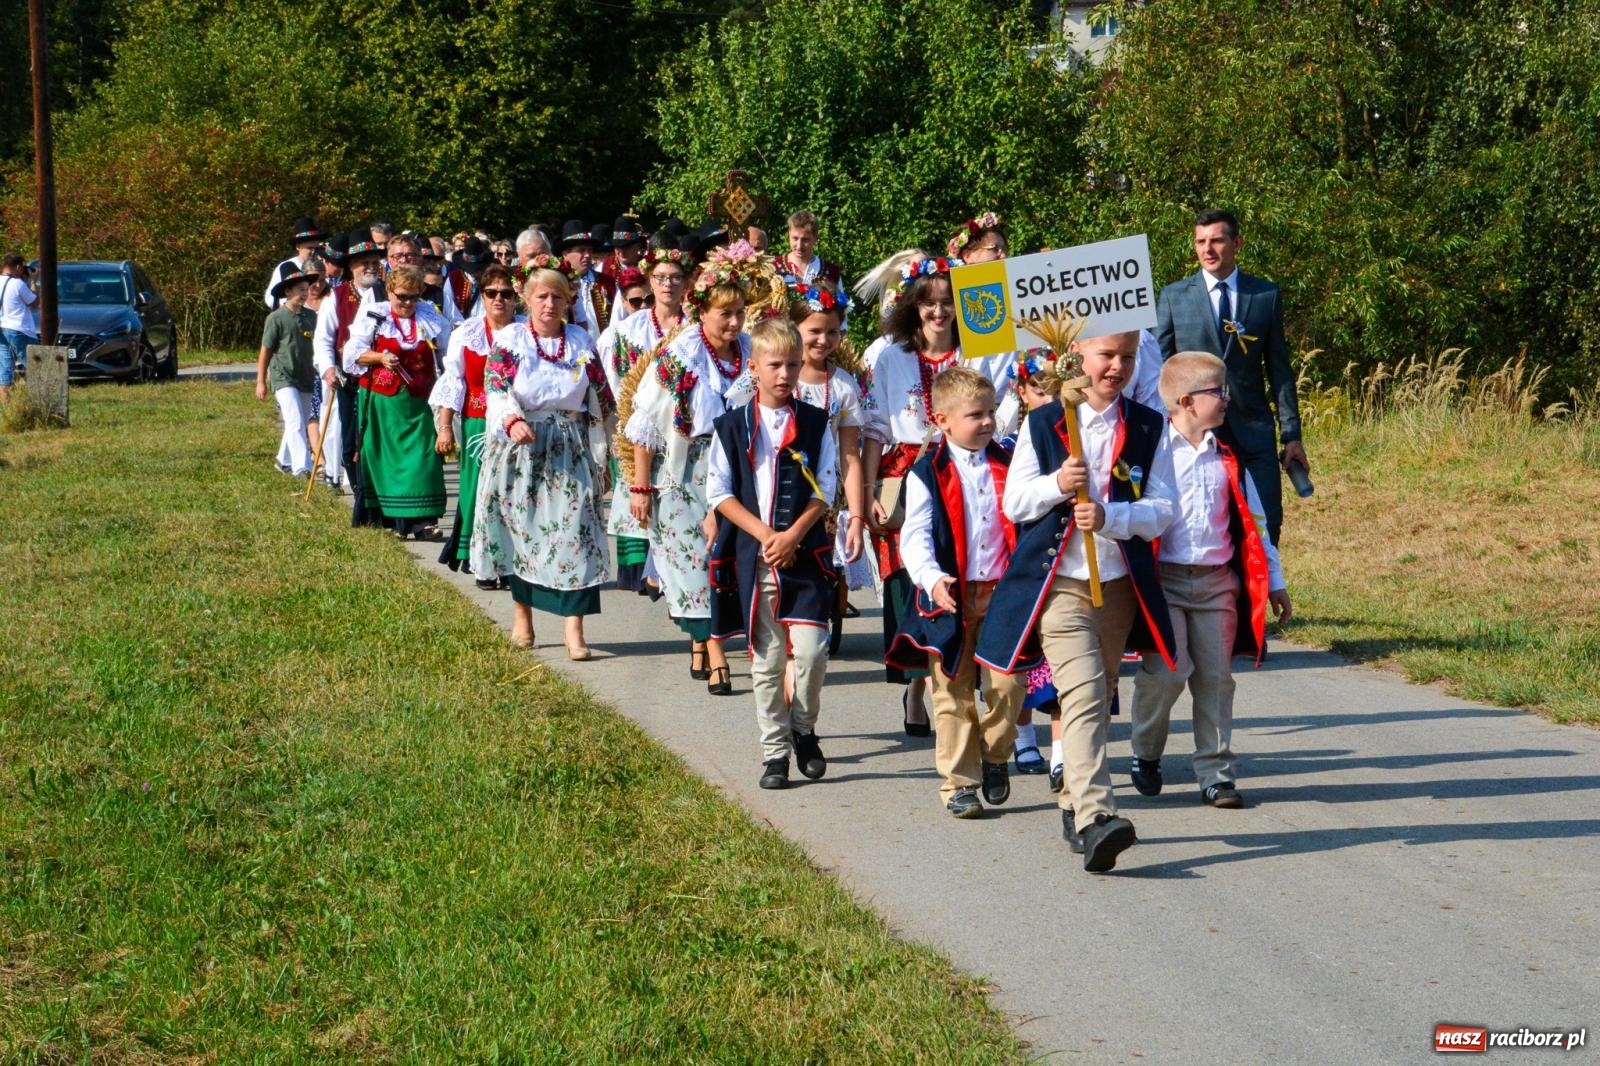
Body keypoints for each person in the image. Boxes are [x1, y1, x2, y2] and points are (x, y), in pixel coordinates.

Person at [975, 331, 1177, 873]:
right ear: (1080, 356)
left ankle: (1071, 804)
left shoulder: (1149, 424)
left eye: (1127, 358)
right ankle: (1096, 818)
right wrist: (1058, 484)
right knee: (1084, 695)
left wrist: (1114, 518)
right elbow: (1016, 503)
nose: (1117, 367)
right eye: (1107, 355)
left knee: (1094, 694)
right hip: (1060, 586)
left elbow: (1163, 508)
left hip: (1116, 589)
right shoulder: (1043, 423)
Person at [1128, 352, 1292, 810]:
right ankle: (1145, 751)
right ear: (1185, 401)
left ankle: (1216, 773)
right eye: (1217, 392)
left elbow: (1255, 523)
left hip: (1218, 583)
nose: (1226, 399)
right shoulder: (1155, 453)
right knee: (1167, 672)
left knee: (1217, 679)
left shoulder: (1227, 457)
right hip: (1165, 580)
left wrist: (1274, 580)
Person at [861, 257, 1016, 736]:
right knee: (911, 582)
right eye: (928, 303)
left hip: (967, 473)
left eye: (947, 302)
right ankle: (917, 686)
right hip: (904, 475)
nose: (938, 312)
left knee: (965, 575)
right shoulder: (890, 355)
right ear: (912, 306)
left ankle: (963, 686)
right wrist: (867, 493)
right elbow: (873, 429)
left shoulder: (980, 352)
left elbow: (1005, 407)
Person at [623, 242, 764, 695]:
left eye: (740, 312)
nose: (735, 322)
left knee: (727, 559)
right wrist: (641, 488)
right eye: (725, 314)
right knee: (694, 563)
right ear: (701, 311)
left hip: (738, 468)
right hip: (686, 474)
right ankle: (716, 652)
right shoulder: (680, 355)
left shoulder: (749, 352)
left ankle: (707, 643)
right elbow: (644, 425)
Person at [887, 367, 1025, 818]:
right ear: (943, 420)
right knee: (953, 693)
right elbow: (915, 536)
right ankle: (959, 783)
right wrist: (930, 577)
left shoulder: (1008, 462)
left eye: (989, 413)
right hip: (949, 597)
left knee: (1010, 685)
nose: (986, 422)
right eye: (974, 415)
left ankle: (995, 752)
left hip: (1003, 594)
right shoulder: (927, 471)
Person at [707, 317, 838, 790]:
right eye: (775, 365)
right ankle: (775, 751)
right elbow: (719, 492)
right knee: (767, 657)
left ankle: (803, 727)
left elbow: (826, 486)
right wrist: (766, 535)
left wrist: (795, 534)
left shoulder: (816, 421)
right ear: (754, 368)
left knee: (812, 650)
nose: (784, 375)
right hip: (757, 553)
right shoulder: (731, 425)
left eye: (793, 365)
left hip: (804, 554)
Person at [470, 264, 615, 660]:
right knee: (522, 533)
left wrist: (607, 450)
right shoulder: (512, 340)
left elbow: (602, 398)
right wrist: (512, 419)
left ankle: (574, 630)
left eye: (558, 297)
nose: (550, 304)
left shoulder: (581, 341)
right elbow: (496, 387)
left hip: (568, 447)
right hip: (521, 449)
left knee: (576, 532)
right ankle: (524, 619)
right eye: (542, 297)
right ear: (527, 300)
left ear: (568, 301)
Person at [1155, 208, 1306, 545]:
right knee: (1208, 533)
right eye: (1200, 242)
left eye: (1216, 241)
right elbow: (1159, 371)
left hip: (1254, 435)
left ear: (1236, 243)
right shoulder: (1172, 297)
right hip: (1195, 439)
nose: (1207, 249)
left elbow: (1279, 370)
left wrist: (1291, 434)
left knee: (1266, 530)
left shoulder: (1264, 296)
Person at [600, 242, 695, 592]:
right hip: (642, 422)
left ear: (686, 284)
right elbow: (621, 382)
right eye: (660, 277)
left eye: (675, 278)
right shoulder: (629, 331)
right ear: (650, 282)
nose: (668, 284)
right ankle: (644, 569)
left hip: (685, 423)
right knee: (643, 491)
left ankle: (675, 568)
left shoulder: (697, 328)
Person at [342, 264, 451, 537]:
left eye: (413, 297)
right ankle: (393, 522)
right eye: (401, 296)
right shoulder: (375, 316)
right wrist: (379, 357)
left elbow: (447, 357)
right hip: (383, 401)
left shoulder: (431, 318)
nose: (407, 303)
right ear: (390, 291)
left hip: (419, 403)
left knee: (425, 458)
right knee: (386, 460)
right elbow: (352, 356)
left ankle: (424, 522)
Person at [431, 263, 521, 578]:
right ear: (482, 296)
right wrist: (444, 427)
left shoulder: (525, 332)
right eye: (491, 293)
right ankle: (475, 553)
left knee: (511, 491)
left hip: (518, 426)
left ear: (516, 297)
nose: (499, 299)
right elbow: (454, 382)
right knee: (476, 489)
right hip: (477, 423)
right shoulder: (466, 334)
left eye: (506, 293)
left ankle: (511, 560)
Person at [313, 231, 385, 496]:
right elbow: (323, 338)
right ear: (351, 266)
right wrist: (329, 368)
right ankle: (355, 485)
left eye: (374, 262)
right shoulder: (337, 296)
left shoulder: (388, 294)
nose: (370, 267)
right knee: (350, 437)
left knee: (377, 436)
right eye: (363, 262)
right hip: (349, 378)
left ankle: (377, 487)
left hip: (382, 377)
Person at [256, 266, 320, 476]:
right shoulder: (276, 318)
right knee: (294, 420)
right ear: (287, 292)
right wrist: (261, 382)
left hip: (306, 377)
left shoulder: (312, 317)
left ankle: (283, 460)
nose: (304, 293)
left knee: (299, 420)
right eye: (299, 290)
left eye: (306, 289)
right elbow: (266, 350)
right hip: (283, 377)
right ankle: (302, 467)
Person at [559, 220, 615, 341]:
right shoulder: (557, 284)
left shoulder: (607, 282)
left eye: (589, 250)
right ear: (565, 254)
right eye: (581, 250)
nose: (587, 255)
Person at [0, 252, 40, 404]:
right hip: (19, 329)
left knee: (5, 368)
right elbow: (34, 303)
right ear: (18, 266)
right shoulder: (18, 284)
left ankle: (7, 407)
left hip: (1, 328)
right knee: (35, 365)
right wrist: (33, 281)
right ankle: (39, 402)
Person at [263, 217, 328, 309]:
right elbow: (270, 297)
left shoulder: (324, 266)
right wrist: (291, 304)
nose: (314, 251)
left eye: (316, 248)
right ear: (298, 246)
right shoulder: (285, 267)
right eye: (309, 248)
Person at [777, 210, 843, 289]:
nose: (799, 246)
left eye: (805, 240)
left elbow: (841, 300)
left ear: (816, 238)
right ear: (789, 234)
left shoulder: (831, 272)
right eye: (795, 238)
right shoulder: (773, 267)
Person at [446, 237, 492, 321]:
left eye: (478, 268)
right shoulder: (453, 278)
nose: (475, 272)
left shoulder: (492, 277)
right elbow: (448, 306)